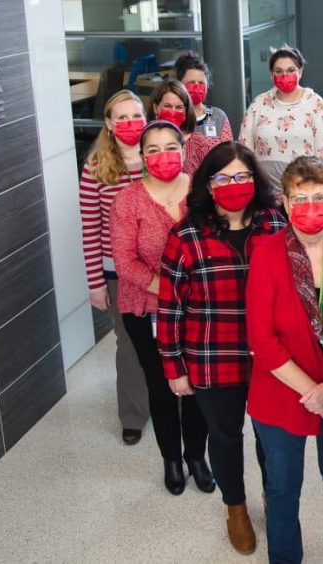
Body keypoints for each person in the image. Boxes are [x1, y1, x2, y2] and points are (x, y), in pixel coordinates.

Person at [157, 141, 286, 554]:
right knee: (226, 435)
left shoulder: (276, 224)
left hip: (271, 359)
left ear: (256, 180)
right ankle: (236, 508)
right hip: (214, 356)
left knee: (271, 437)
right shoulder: (185, 235)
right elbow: (170, 306)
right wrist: (173, 367)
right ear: (208, 186)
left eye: (243, 176)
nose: (234, 185)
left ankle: (273, 498)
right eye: (224, 178)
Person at [246, 157, 323, 564]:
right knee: (282, 485)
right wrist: (314, 393)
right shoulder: (264, 254)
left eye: (320, 197)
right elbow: (262, 340)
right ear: (283, 201)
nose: (310, 207)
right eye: (300, 198)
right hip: (281, 390)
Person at [110, 120, 211, 495]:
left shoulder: (202, 193)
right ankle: (171, 459)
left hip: (200, 309)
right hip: (146, 310)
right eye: (152, 149)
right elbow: (125, 261)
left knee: (199, 382)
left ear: (184, 150)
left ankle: (197, 455)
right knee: (162, 384)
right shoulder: (128, 200)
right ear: (141, 155)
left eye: (171, 147)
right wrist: (168, 290)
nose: (162, 156)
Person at [79, 89, 149, 446]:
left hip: (161, 272)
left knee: (170, 340)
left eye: (134, 115)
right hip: (117, 273)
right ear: (108, 123)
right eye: (120, 117)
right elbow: (90, 229)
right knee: (130, 345)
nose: (128, 123)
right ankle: (134, 414)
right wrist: (95, 283)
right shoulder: (96, 168)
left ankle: (177, 406)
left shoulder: (160, 157)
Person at [239, 45, 323, 196]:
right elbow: (245, 150)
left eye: (291, 70)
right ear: (271, 74)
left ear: (300, 71)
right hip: (266, 193)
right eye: (278, 71)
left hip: (305, 191)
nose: (285, 75)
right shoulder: (258, 104)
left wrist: (297, 192)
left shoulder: (316, 104)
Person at [174, 51, 235, 175]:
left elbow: (229, 155)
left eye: (201, 83)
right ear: (179, 84)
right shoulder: (174, 117)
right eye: (191, 83)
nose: (197, 87)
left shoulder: (218, 117)